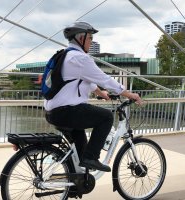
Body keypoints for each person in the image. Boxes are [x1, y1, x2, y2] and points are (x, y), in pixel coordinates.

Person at [44, 21, 142, 172]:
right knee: (106, 117)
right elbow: (105, 79)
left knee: (80, 151)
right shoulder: (80, 58)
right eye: (90, 38)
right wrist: (129, 94)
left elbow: (85, 80)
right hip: (66, 111)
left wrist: (101, 93)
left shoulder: (65, 56)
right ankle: (92, 158)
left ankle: (77, 181)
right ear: (81, 38)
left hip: (53, 112)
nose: (92, 41)